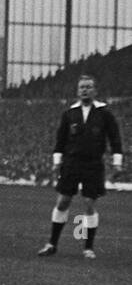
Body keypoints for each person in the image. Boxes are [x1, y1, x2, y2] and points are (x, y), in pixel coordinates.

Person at [38, 75, 122, 259]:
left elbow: (115, 138)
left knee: (89, 204)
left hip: (93, 164)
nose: (84, 90)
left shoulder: (104, 113)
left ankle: (88, 248)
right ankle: (52, 244)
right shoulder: (70, 113)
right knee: (62, 201)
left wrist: (117, 162)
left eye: (88, 87)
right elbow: (60, 140)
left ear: (95, 90)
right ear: (78, 91)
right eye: (82, 87)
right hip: (71, 163)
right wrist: (56, 162)